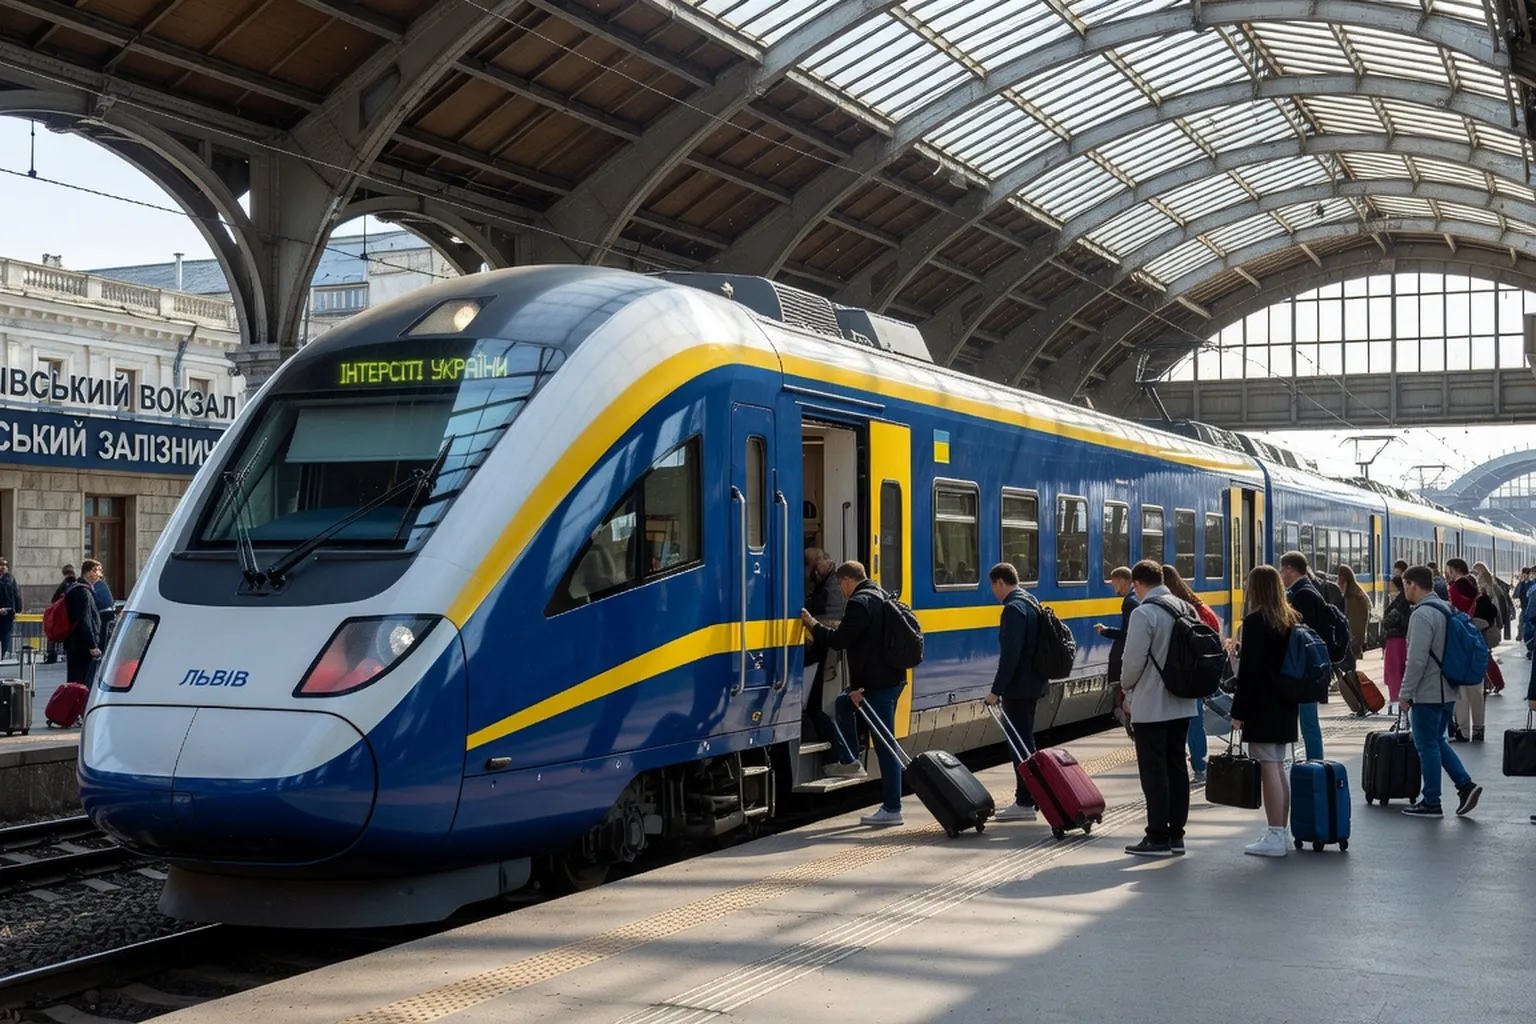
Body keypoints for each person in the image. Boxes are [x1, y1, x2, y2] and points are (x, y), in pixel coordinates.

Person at [799, 561, 907, 825]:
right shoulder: (879, 594)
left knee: (885, 746)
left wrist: (813, 624)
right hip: (889, 679)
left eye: (841, 584)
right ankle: (849, 760)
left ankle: (892, 808)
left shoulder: (860, 603)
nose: (841, 590)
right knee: (842, 704)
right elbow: (870, 645)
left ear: (847, 580)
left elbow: (841, 641)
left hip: (877, 686)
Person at [1118, 559, 1200, 858]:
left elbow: (1132, 663)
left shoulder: (1144, 613)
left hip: (1152, 705)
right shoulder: (1185, 607)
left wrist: (1126, 689)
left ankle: (1156, 837)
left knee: (1153, 772)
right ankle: (1176, 836)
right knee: (1177, 769)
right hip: (1183, 702)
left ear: (1138, 584)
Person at [1398, 565, 1483, 818]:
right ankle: (1465, 785)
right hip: (1448, 689)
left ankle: (1432, 801)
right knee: (1437, 741)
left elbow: (1416, 660)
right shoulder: (1446, 608)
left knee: (1426, 745)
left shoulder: (1422, 614)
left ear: (1413, 584)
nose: (1404, 591)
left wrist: (1405, 694)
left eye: (1405, 585)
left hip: (1429, 691)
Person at [1229, 565, 1302, 858]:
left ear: (1255, 589)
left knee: (1268, 767)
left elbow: (1249, 672)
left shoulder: (1256, 621)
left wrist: (1238, 711)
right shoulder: (1290, 618)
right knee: (1278, 765)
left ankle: (1274, 834)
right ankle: (1280, 832)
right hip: (1285, 702)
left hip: (1263, 704)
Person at [985, 563, 1045, 823]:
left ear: (1000, 582)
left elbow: (1011, 655)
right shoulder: (1031, 601)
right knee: (1026, 742)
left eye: (993, 586)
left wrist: (996, 691)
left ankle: (1025, 800)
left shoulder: (1013, 609)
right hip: (1033, 683)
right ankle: (1031, 797)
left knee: (1019, 744)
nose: (993, 592)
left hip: (1018, 688)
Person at [1161, 564, 1217, 785]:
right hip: (1197, 673)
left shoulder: (1178, 609)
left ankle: (1197, 766)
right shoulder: (1197, 607)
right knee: (1194, 721)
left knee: (1187, 722)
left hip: (1184, 674)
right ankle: (1198, 766)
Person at [1277, 551, 1327, 759]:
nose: (1281, 574)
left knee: (1309, 723)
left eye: (1282, 569)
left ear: (1290, 568)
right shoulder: (1309, 590)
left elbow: (1300, 633)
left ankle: (1315, 762)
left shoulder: (1302, 595)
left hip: (1304, 669)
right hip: (1308, 667)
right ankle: (1314, 762)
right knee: (1308, 722)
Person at [801, 548, 847, 760]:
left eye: (811, 565)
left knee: (815, 706)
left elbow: (831, 621)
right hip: (822, 653)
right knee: (815, 706)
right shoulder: (825, 582)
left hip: (823, 653)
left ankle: (840, 754)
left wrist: (811, 624)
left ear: (822, 562)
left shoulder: (832, 586)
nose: (810, 570)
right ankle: (839, 755)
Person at [1096, 566, 1138, 738]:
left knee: (1124, 702)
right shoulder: (1136, 599)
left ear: (1122, 580)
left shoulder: (1130, 602)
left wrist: (1106, 631)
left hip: (1124, 659)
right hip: (1129, 658)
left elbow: (1127, 634)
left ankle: (1134, 734)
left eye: (1114, 583)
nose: (1114, 587)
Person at [64, 559, 104, 686]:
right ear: (88, 572)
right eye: (97, 571)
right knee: (81, 682)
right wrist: (92, 646)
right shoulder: (83, 592)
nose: (100, 575)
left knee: (77, 681)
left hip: (76, 645)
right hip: (81, 647)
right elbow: (85, 621)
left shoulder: (79, 589)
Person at [1381, 575, 1411, 715]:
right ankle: (1398, 704)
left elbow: (1389, 620)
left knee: (1395, 673)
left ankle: (1397, 704)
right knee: (1397, 672)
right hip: (1400, 640)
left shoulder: (1401, 601)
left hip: (1396, 641)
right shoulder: (1406, 600)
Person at [45, 564, 77, 664]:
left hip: (64, 615)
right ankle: (58, 654)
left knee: (55, 635)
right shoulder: (75, 584)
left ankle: (52, 655)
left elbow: (54, 599)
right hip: (69, 615)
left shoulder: (65, 584)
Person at [1338, 565, 1370, 664]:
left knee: (1349, 673)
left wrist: (1354, 643)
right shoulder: (1356, 594)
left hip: (1351, 644)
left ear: (1343, 579)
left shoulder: (1353, 598)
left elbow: (1355, 624)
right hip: (1351, 643)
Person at [0, 557, 20, 657]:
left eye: (4, 565)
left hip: (7, 611)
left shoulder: (10, 579)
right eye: (1, 565)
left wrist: (16, 609)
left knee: (6, 632)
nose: (2, 567)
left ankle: (4, 652)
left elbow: (16, 595)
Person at [92, 570, 117, 640]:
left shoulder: (96, 585)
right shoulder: (103, 584)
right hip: (111, 611)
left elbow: (96, 600)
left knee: (102, 635)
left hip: (103, 613)